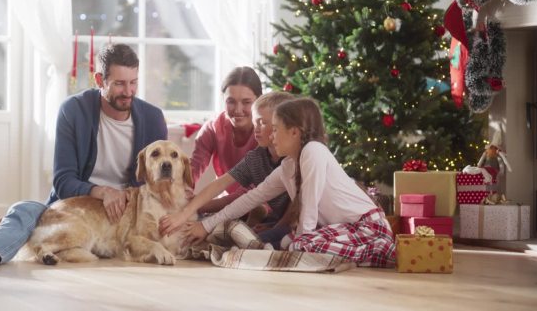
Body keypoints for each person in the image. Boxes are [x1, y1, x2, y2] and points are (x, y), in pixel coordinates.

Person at [0, 44, 167, 268]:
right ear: (100, 79)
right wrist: (103, 192)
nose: (128, 92)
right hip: (79, 206)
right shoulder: (74, 110)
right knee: (26, 210)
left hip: (125, 217)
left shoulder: (152, 118)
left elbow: (158, 185)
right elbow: (63, 181)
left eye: (133, 83)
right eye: (119, 84)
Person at [184, 98, 396, 267]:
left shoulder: (313, 151)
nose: (272, 136)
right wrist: (206, 225)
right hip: (336, 230)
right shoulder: (287, 167)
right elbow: (251, 198)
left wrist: (300, 246)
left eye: (275, 129)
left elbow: (309, 209)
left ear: (294, 132)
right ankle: (282, 248)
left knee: (303, 241)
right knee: (299, 240)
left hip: (369, 228)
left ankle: (282, 250)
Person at [159, 91, 295, 244]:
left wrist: (275, 227)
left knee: (257, 242)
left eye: (263, 123)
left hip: (293, 222)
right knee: (222, 236)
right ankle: (257, 220)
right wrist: (185, 213)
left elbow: (297, 207)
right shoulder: (256, 157)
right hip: (273, 218)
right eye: (255, 121)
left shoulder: (294, 159)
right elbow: (220, 184)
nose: (256, 128)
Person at [190, 66, 261, 213]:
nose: (238, 109)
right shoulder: (213, 128)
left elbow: (255, 192)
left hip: (259, 206)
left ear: (259, 100)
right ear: (223, 99)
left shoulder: (266, 133)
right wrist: (182, 196)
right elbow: (192, 170)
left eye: (246, 102)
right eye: (231, 101)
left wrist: (199, 206)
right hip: (222, 206)